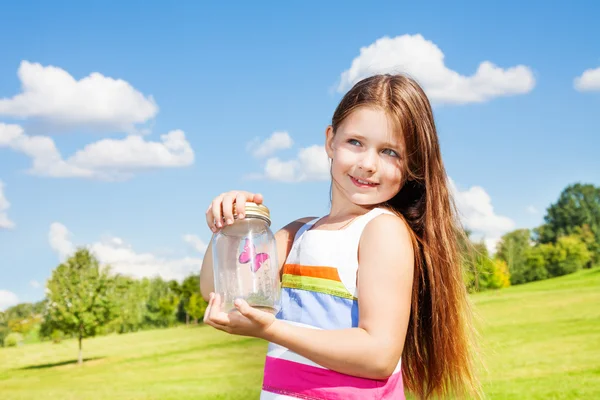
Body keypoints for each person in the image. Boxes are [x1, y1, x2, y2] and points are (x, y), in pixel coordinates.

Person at [200, 74, 480, 399]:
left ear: (411, 165)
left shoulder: (381, 230)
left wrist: (272, 329)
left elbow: (378, 354)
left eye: (390, 152)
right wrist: (230, 225)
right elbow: (219, 291)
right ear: (330, 140)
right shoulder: (296, 234)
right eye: (356, 143)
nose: (368, 164)